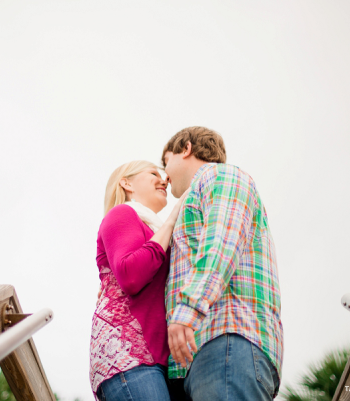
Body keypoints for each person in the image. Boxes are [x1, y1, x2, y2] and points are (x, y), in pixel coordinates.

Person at [162, 126, 284, 400]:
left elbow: (222, 243)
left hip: (228, 340)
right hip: (211, 351)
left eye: (166, 160)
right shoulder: (201, 193)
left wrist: (188, 309)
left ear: (186, 149)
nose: (164, 175)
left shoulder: (221, 176)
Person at [89, 160, 189, 401]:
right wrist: (172, 218)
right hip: (129, 356)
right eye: (153, 173)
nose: (163, 179)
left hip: (160, 360)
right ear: (126, 183)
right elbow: (131, 275)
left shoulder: (153, 228)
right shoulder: (122, 213)